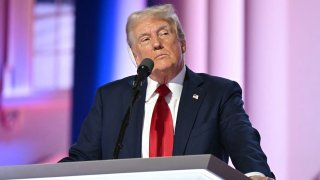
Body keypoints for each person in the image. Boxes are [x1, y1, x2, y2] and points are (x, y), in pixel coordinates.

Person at [60, 4, 275, 179]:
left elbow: (244, 145)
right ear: (136, 56)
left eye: (164, 33)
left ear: (182, 43)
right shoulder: (111, 98)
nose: (156, 44)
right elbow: (82, 159)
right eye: (145, 39)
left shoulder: (218, 93)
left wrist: (255, 174)